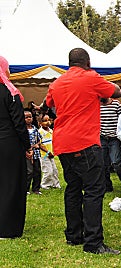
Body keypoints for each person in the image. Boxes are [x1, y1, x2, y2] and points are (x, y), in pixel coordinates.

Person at [45, 48, 121, 254]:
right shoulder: (91, 77)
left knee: (73, 188)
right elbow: (116, 92)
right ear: (87, 62)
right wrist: (100, 95)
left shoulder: (57, 82)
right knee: (94, 191)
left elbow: (49, 104)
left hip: (62, 142)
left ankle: (74, 235)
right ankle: (93, 242)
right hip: (84, 141)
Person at [0, 55, 31, 239]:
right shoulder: (10, 92)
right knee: (11, 184)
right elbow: (19, 124)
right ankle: (7, 228)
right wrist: (27, 146)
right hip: (9, 144)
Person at [100, 96, 121, 191]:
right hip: (102, 138)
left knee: (116, 162)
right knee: (103, 164)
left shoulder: (115, 104)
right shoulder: (96, 105)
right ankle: (107, 186)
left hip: (114, 138)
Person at [25, 110, 45, 195]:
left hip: (36, 154)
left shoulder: (35, 129)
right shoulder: (22, 130)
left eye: (30, 117)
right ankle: (26, 188)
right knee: (29, 171)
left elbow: (39, 141)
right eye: (26, 117)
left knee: (37, 171)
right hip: (27, 154)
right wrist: (30, 149)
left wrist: (37, 145)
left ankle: (36, 189)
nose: (29, 119)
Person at [38, 114, 61, 189]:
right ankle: (45, 184)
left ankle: (55, 184)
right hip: (44, 155)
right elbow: (40, 144)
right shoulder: (40, 132)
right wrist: (48, 152)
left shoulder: (51, 131)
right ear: (40, 123)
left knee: (55, 170)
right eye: (45, 121)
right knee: (48, 171)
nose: (47, 122)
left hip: (51, 154)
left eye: (48, 120)